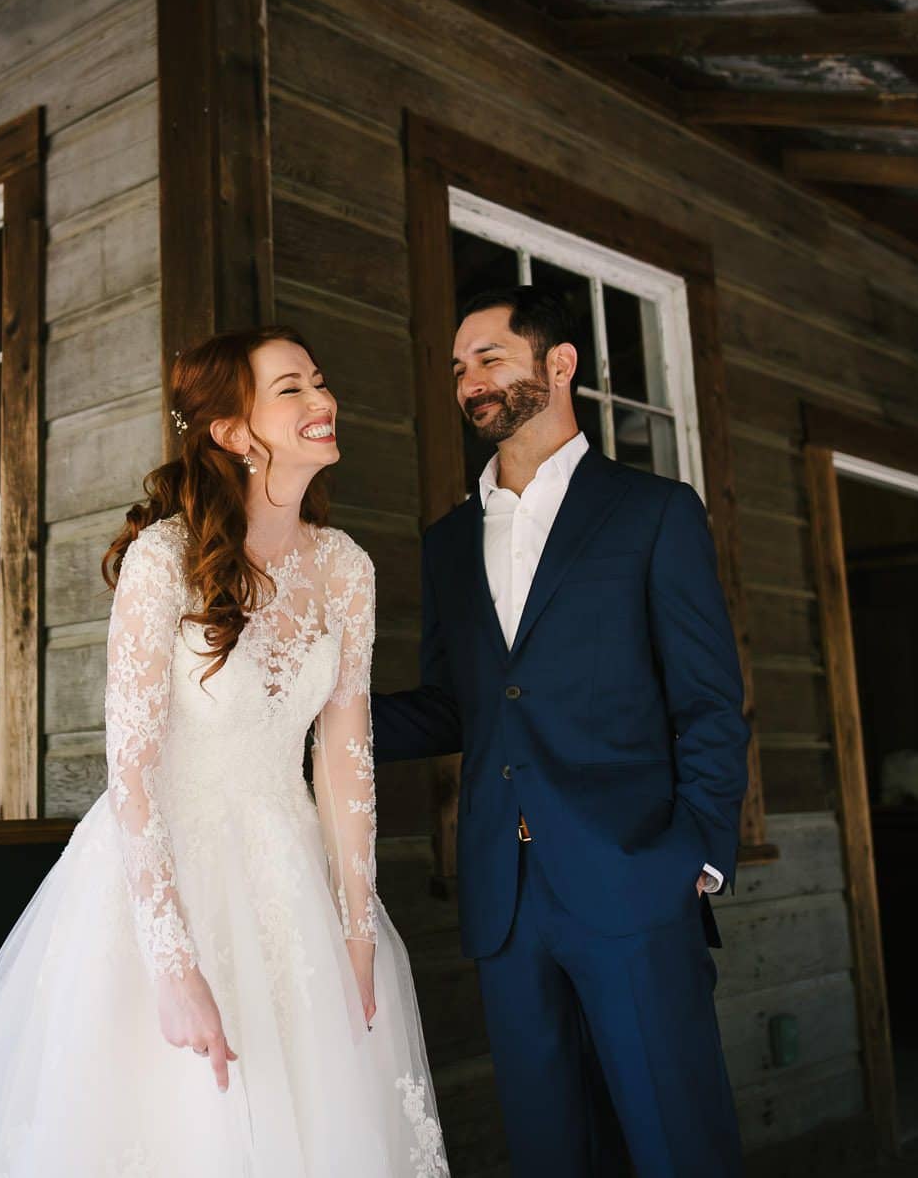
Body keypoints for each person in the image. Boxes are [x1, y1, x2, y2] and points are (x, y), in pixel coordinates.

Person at [0, 325, 449, 1177]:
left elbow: (345, 754)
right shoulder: (164, 557)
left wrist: (355, 927)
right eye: (293, 388)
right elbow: (131, 768)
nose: (323, 399)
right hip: (165, 873)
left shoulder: (347, 568)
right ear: (233, 431)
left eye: (320, 380)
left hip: (291, 872)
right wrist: (171, 962)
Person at [373, 285, 749, 1177]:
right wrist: (309, 719)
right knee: (550, 1151)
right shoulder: (448, 541)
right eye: (458, 369)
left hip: (635, 879)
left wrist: (695, 855)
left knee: (677, 1144)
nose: (469, 382)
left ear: (560, 364)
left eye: (489, 358)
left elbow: (708, 699)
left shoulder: (655, 511)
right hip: (505, 901)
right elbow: (457, 702)